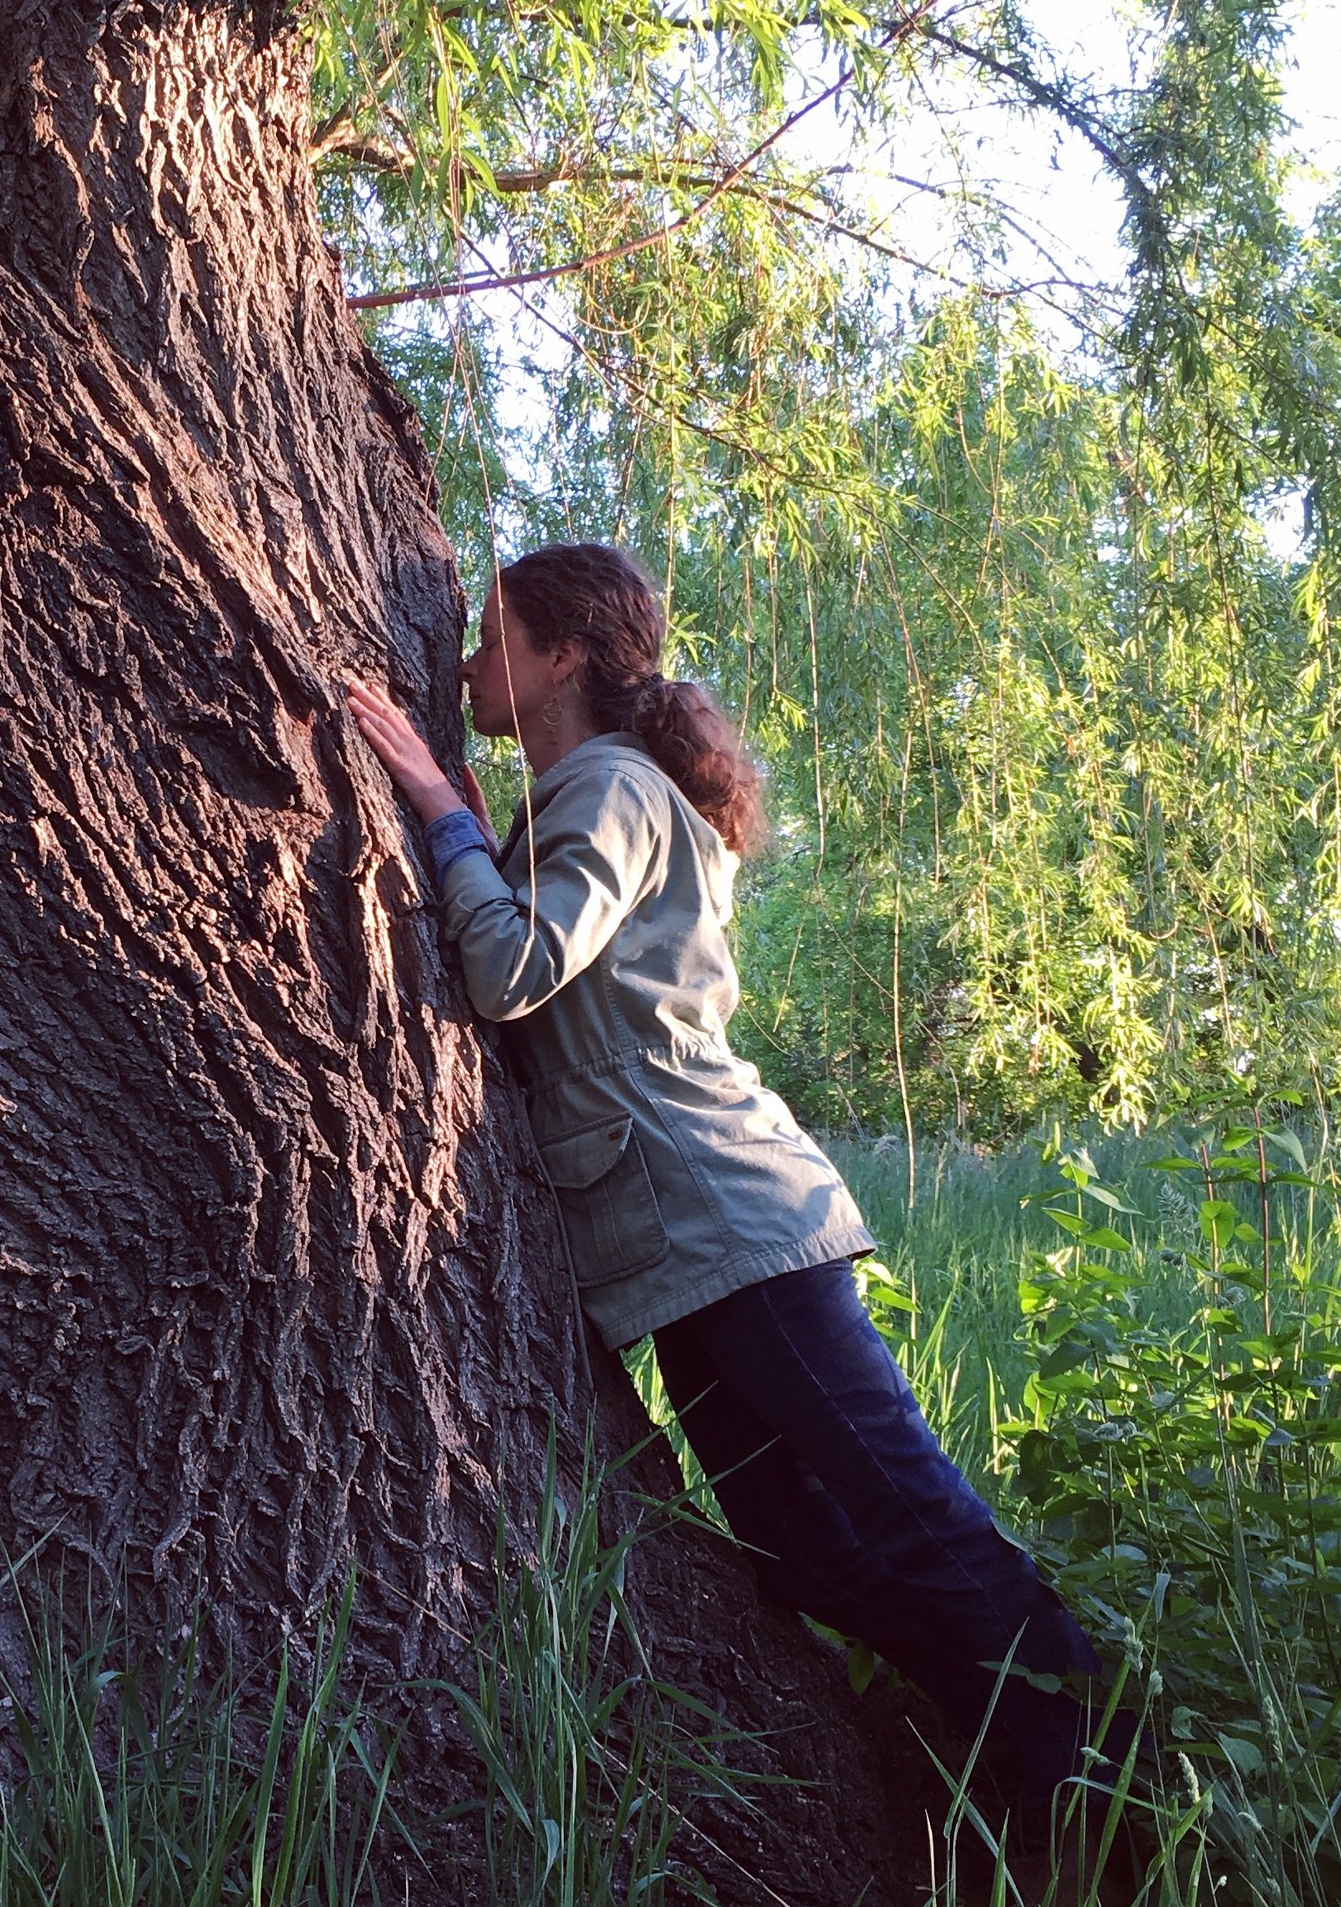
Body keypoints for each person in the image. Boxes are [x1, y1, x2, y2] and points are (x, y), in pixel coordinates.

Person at [349, 540, 1115, 1819]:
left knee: (911, 1515)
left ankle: (1106, 1797)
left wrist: (440, 813)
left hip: (728, 1217)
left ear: (561, 653)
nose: (469, 664)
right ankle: (1006, 1759)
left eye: (490, 637)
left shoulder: (608, 779)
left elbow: (513, 970)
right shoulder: (594, 790)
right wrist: (484, 836)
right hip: (685, 1239)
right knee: (802, 1552)